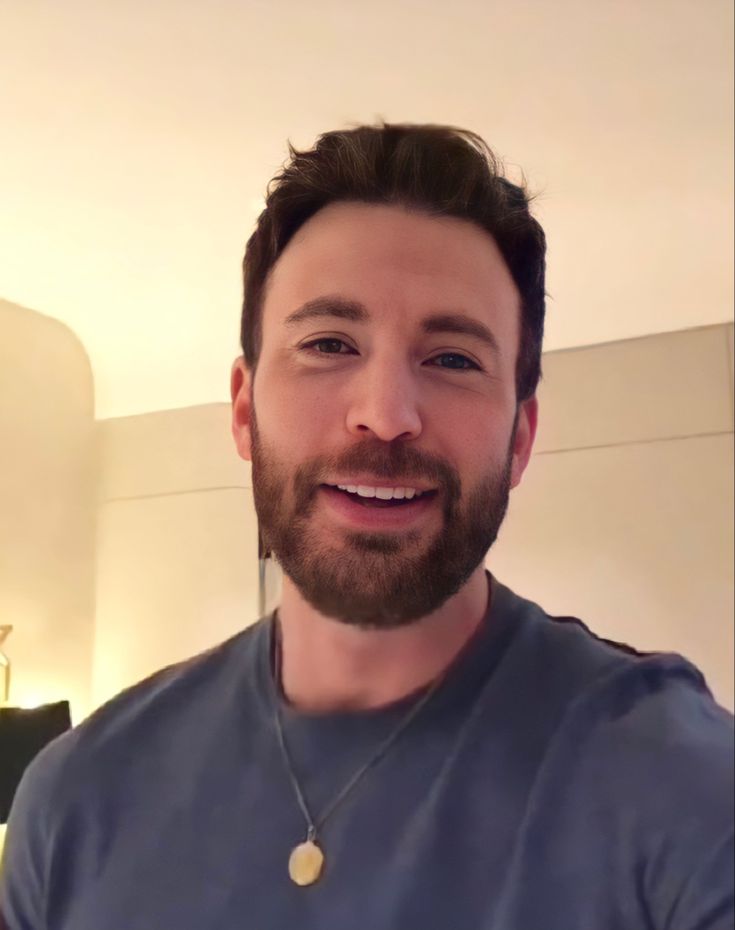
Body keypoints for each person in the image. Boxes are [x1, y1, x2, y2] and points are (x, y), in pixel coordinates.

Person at [1, 122, 732, 930]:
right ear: (244, 411)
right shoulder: (75, 800)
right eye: (328, 344)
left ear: (519, 439)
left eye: (452, 359)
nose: (384, 416)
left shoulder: (678, 789)